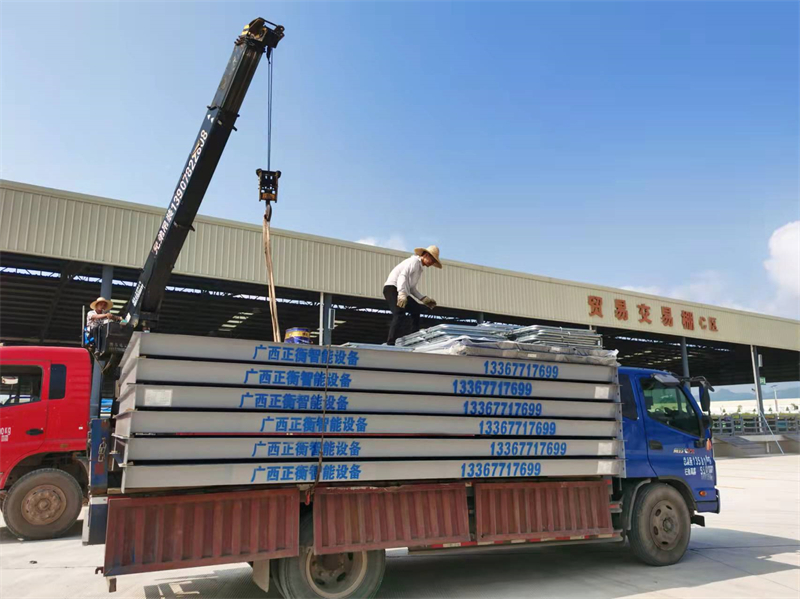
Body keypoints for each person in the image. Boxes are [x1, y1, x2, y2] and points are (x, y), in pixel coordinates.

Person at [383, 245, 441, 345]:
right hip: (392, 288)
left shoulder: (419, 268)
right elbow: (403, 276)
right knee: (399, 313)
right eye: (432, 260)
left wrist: (423, 299)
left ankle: (414, 336)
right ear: (426, 255)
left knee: (416, 309)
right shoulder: (414, 261)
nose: (432, 263)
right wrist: (402, 294)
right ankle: (391, 342)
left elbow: (411, 288)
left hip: (401, 289)